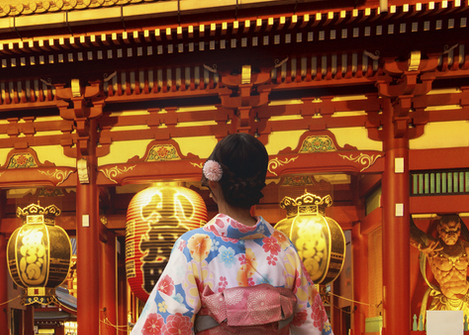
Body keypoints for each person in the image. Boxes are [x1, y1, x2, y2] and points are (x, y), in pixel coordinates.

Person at [129, 132, 334, 335]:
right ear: (260, 183)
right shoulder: (283, 247)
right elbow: (312, 325)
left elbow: (166, 325)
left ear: (214, 182)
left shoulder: (194, 247)